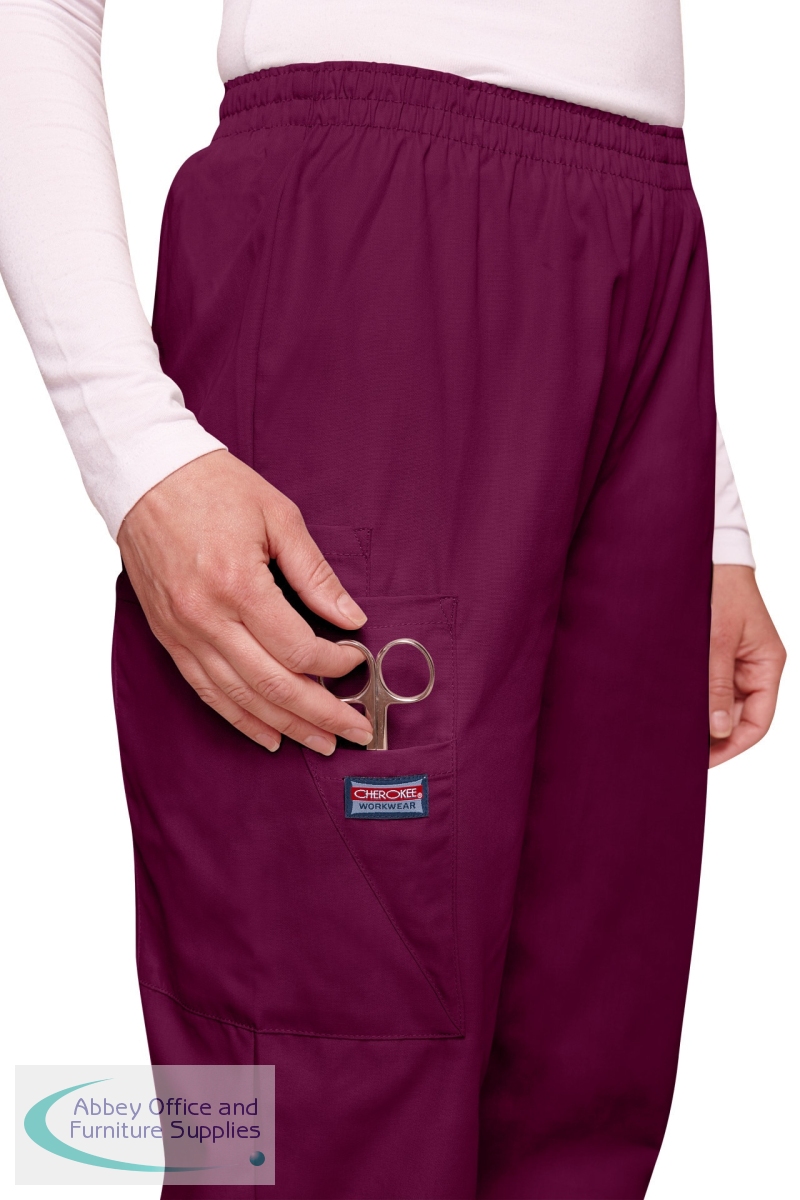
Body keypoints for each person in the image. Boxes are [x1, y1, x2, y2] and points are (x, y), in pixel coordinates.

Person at [0, 2, 786, 1197]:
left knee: (583, 1076)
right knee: (321, 1073)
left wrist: (708, 507)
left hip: (638, 255)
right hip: (361, 249)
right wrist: (135, 452)